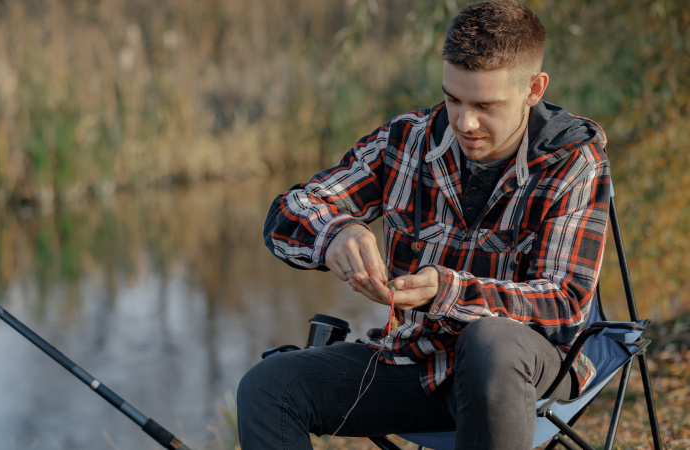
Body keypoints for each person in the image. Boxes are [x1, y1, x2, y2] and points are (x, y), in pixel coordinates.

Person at [237, 0, 612, 449]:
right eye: (453, 98)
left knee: (490, 342)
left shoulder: (573, 161)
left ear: (534, 88)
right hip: (417, 363)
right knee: (268, 387)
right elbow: (290, 210)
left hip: (526, 371)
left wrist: (445, 289)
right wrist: (334, 231)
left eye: (485, 104)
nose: (465, 122)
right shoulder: (405, 140)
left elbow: (564, 301)